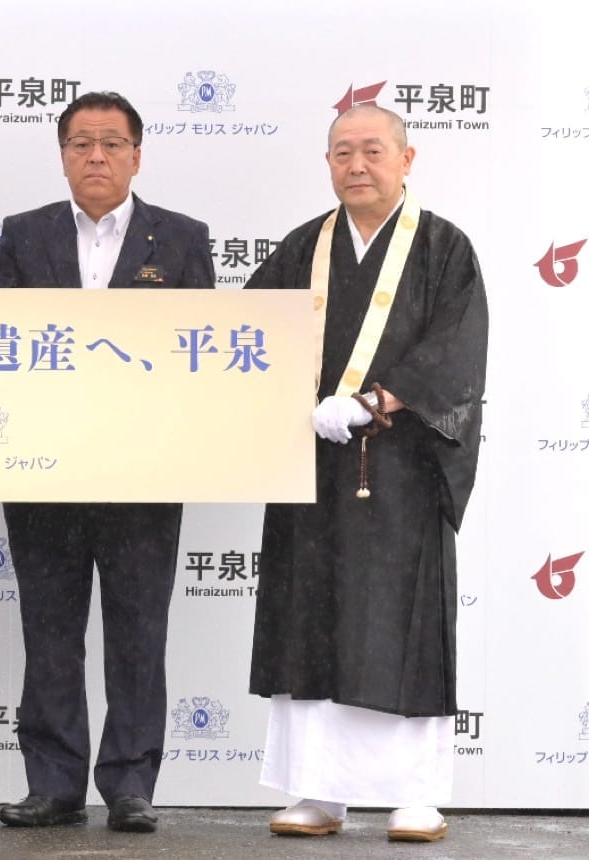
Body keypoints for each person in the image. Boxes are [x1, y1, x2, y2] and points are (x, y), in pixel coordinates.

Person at [247, 104, 487, 843]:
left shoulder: (444, 249)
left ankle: (414, 794)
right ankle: (317, 791)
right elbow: (250, 336)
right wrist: (302, 402)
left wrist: (375, 401)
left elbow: (457, 347)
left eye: (373, 151)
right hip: (314, 468)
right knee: (309, 619)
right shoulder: (301, 249)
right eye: (342, 152)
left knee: (400, 623)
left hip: (403, 471)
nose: (357, 164)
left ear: (406, 160)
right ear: (327, 164)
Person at [0, 91, 215, 833]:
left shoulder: (181, 239)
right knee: (49, 632)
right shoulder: (23, 237)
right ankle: (53, 784)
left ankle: (130, 784)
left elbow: (200, 358)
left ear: (137, 155)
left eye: (112, 143)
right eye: (81, 143)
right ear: (61, 155)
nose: (96, 157)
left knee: (138, 631)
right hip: (42, 470)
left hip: (143, 474)